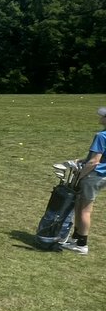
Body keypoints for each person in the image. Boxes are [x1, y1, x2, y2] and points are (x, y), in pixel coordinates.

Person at [62, 106, 106, 255]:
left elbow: (94, 162)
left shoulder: (101, 136)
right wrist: (82, 160)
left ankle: (82, 245)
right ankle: (76, 238)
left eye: (103, 116)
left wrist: (81, 174)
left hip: (93, 176)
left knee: (85, 210)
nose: (100, 117)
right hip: (101, 176)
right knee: (80, 205)